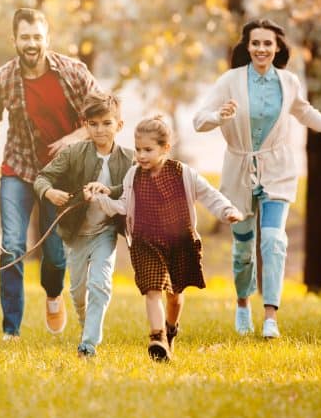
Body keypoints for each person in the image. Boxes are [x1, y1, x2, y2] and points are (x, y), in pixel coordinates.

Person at [193, 18, 321, 339]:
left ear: (277, 48)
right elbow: (198, 120)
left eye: (267, 43)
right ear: (247, 47)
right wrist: (218, 116)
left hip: (277, 169)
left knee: (273, 241)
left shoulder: (288, 82)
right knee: (243, 249)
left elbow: (305, 112)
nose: (261, 49)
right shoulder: (230, 81)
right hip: (239, 170)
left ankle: (271, 316)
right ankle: (243, 304)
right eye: (255, 43)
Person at [0, 7, 102, 340]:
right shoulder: (1, 79)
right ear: (14, 40)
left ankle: (53, 294)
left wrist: (74, 137)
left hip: (62, 176)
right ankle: (11, 330)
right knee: (12, 246)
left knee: (55, 256)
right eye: (25, 37)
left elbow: (105, 115)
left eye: (37, 37)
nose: (31, 44)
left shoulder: (75, 73)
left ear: (47, 38)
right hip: (18, 169)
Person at [87, 116, 243, 361]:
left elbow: (209, 194)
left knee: (175, 296)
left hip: (179, 243)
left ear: (165, 148)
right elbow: (123, 206)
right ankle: (157, 337)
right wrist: (100, 199)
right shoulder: (133, 175)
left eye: (148, 150)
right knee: (152, 289)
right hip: (146, 243)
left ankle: (169, 331)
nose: (141, 155)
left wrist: (227, 211)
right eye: (138, 149)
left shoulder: (183, 173)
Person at [33, 92, 134, 358]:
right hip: (76, 234)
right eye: (94, 124)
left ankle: (88, 345)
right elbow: (42, 177)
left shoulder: (129, 159)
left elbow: (132, 189)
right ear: (86, 125)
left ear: (119, 125)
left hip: (105, 232)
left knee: (100, 284)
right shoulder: (74, 153)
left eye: (107, 123)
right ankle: (85, 323)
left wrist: (109, 191)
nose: (100, 130)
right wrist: (50, 193)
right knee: (78, 293)